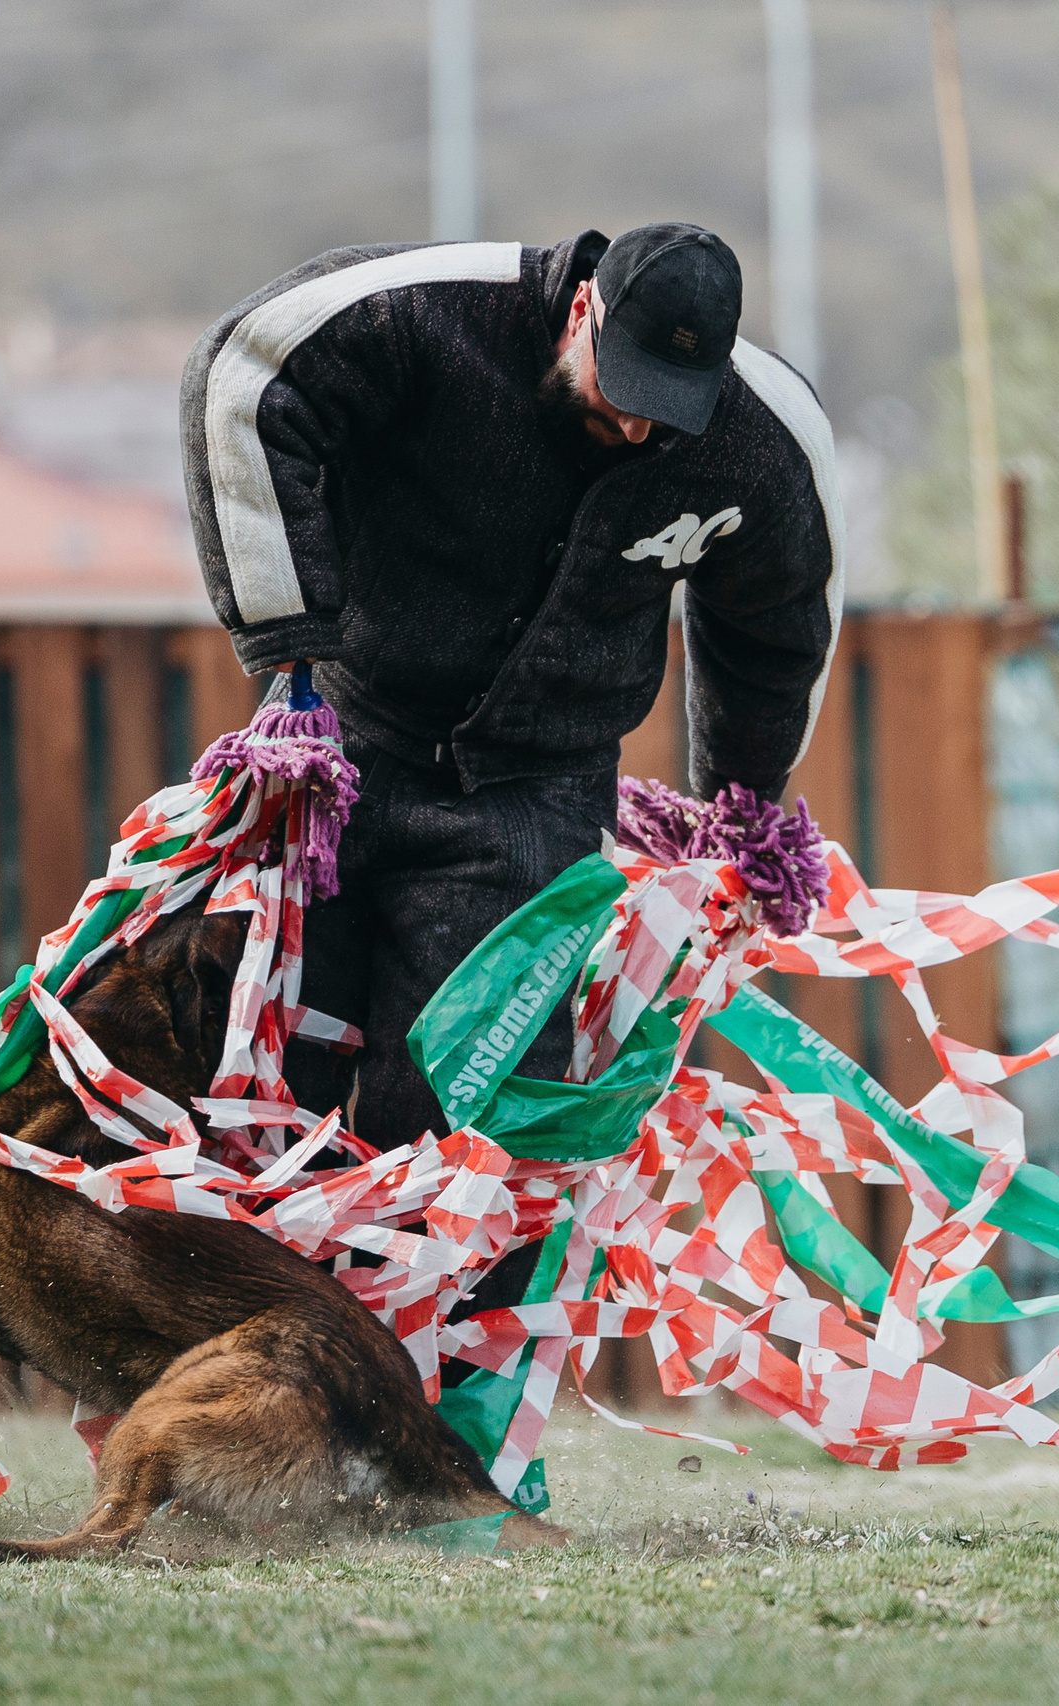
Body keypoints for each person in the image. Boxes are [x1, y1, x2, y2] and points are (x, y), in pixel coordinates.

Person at [181, 223, 844, 1153]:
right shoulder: (431, 310)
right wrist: (290, 651)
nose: (641, 427)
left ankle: (447, 1302)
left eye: (670, 409)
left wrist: (743, 803)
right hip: (341, 754)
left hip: (540, 801)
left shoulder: (764, 442)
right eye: (627, 390)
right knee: (264, 1091)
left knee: (468, 1138)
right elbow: (245, 376)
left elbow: (777, 625)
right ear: (582, 312)